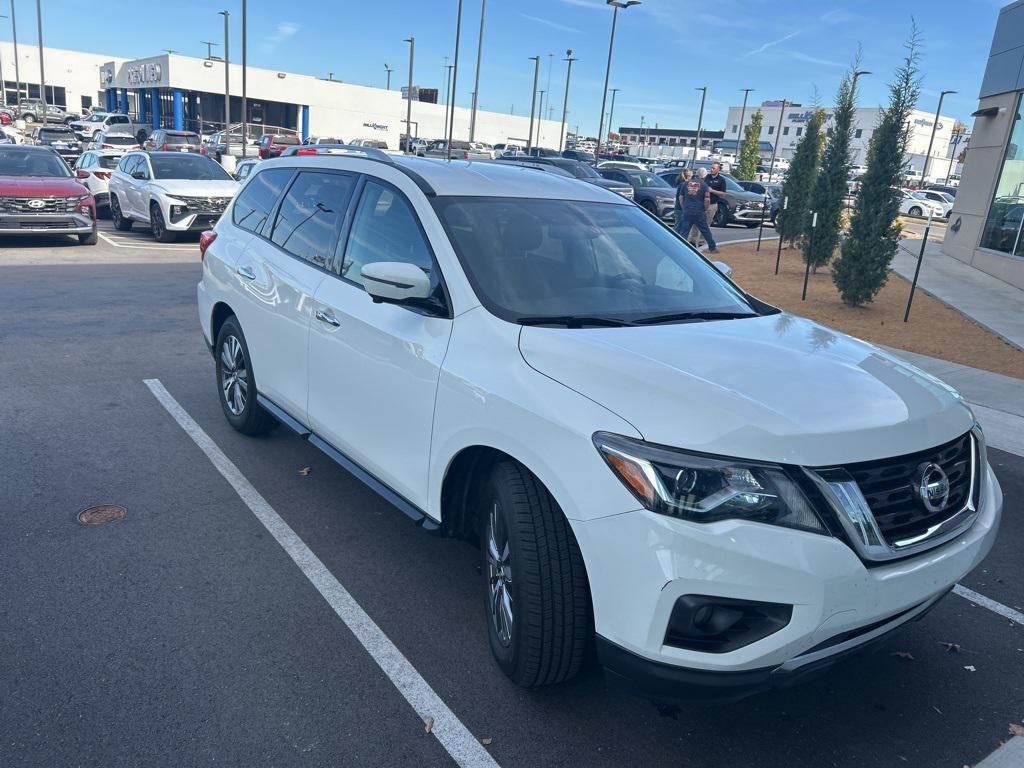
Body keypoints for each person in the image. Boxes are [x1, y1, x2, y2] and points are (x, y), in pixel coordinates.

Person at [675, 169, 718, 253]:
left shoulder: (686, 184)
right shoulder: (704, 185)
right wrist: (705, 209)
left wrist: (684, 207)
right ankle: (712, 247)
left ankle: (679, 248)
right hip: (699, 211)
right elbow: (707, 200)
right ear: (704, 176)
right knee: (705, 230)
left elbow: (681, 197)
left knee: (684, 231)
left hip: (687, 210)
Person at [705, 161, 728, 228]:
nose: (711, 169)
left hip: (712, 204)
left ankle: (703, 238)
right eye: (711, 168)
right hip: (702, 203)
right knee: (697, 223)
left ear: (718, 169)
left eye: (714, 168)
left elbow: (723, 194)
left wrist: (712, 191)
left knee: (707, 224)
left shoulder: (721, 180)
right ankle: (692, 238)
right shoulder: (707, 177)